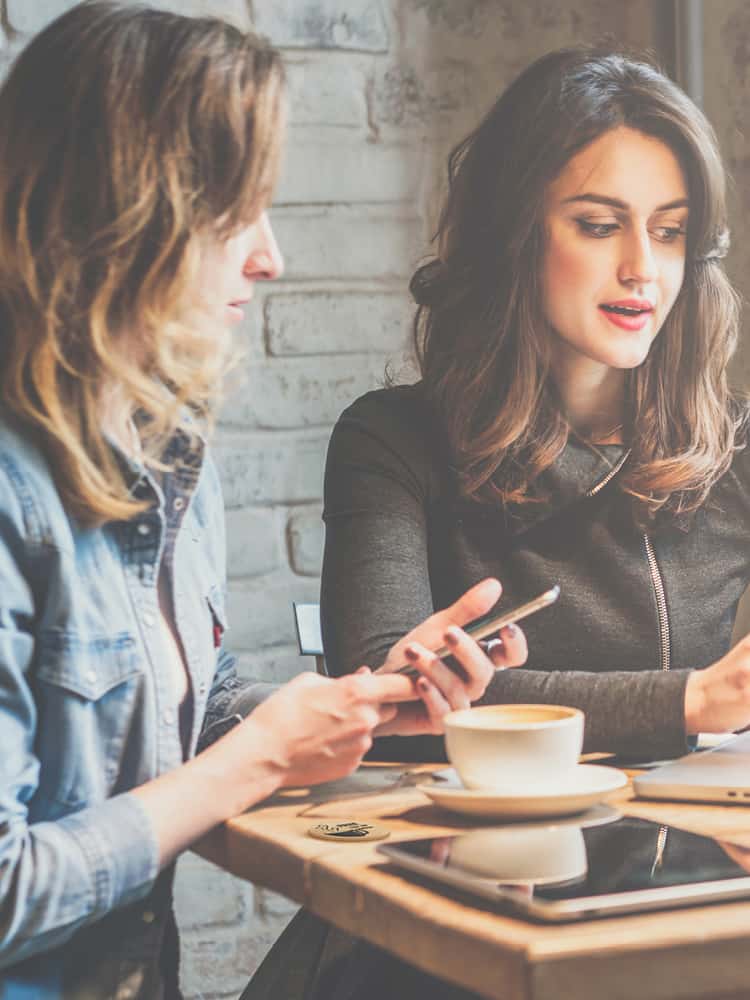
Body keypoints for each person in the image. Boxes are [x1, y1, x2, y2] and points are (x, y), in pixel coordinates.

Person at [0, 4, 530, 998]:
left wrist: (365, 712)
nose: (271, 256)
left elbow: (185, 733)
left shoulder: (168, 454)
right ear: (123, 216)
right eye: (237, 212)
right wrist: (258, 762)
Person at [321, 44, 750, 765]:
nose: (643, 267)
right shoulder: (390, 439)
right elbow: (381, 691)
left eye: (670, 231)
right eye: (598, 224)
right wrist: (690, 702)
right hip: (477, 864)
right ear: (514, 234)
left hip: (707, 864)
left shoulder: (734, 443)